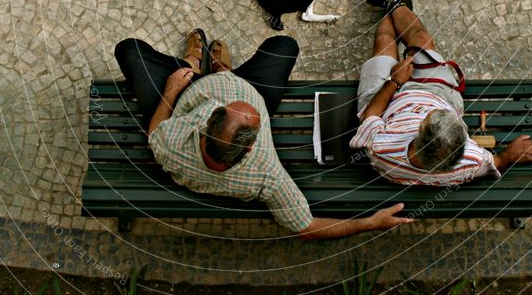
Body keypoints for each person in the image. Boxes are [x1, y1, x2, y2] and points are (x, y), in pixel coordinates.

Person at [114, 29, 411, 239]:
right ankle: (220, 67)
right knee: (284, 45)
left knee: (128, 49)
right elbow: (305, 226)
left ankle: (193, 63)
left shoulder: (173, 145)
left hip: (186, 93)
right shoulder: (267, 174)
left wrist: (172, 89)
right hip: (253, 88)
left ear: (205, 126)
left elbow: (154, 132)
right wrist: (369, 223)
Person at [350, 0, 532, 184]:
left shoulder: (381, 147)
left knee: (384, 42)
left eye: (429, 115)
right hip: (438, 93)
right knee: (421, 39)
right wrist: (509, 156)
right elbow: (498, 162)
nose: (427, 110)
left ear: (419, 130)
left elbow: (371, 115)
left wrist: (395, 82)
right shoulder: (469, 159)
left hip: (384, 104)